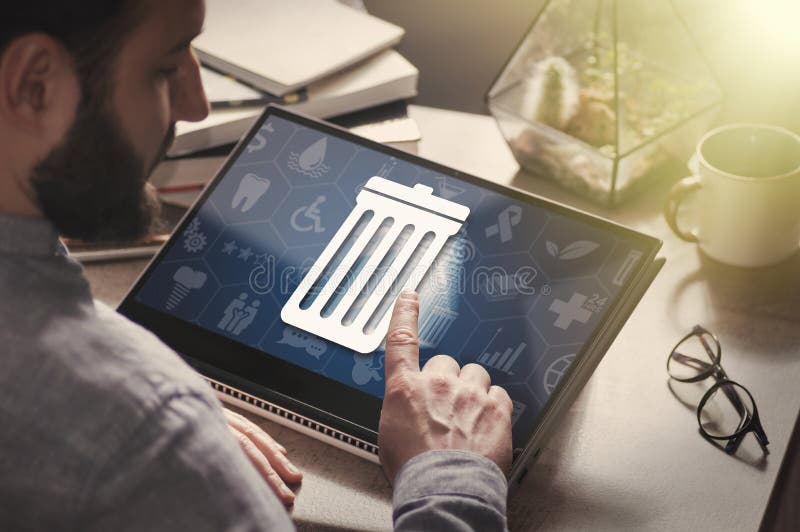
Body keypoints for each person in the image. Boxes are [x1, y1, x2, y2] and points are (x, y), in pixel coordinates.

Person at [0, 1, 513, 530]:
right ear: (34, 85)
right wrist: (453, 482)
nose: (197, 105)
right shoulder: (153, 441)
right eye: (166, 66)